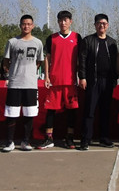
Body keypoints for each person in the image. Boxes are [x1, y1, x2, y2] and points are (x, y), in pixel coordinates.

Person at [37, 10, 82, 150]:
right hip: (55, 81)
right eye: (61, 20)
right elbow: (47, 58)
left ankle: (69, 137)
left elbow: (81, 59)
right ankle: (48, 138)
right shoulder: (52, 38)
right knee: (50, 110)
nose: (63, 23)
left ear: (70, 21)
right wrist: (46, 76)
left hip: (70, 81)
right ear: (58, 22)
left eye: (66, 20)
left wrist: (80, 76)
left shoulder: (77, 37)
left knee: (71, 111)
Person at [1, 14, 44, 152]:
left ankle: (26, 141)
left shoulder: (38, 43)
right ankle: (9, 142)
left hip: (30, 84)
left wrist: (29, 72)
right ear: (20, 25)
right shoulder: (12, 42)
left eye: (29, 24)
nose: (26, 26)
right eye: (24, 24)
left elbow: (39, 62)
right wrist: (11, 73)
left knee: (29, 113)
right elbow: (6, 61)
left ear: (33, 26)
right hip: (15, 83)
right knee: (11, 113)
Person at [78, 13, 119, 150]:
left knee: (105, 111)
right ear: (95, 25)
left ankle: (104, 138)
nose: (102, 25)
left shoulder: (112, 42)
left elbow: (115, 62)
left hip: (107, 81)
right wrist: (82, 77)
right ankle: (86, 139)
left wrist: (115, 78)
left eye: (104, 23)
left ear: (108, 25)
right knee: (89, 111)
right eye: (99, 23)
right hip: (92, 81)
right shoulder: (88, 40)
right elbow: (82, 60)